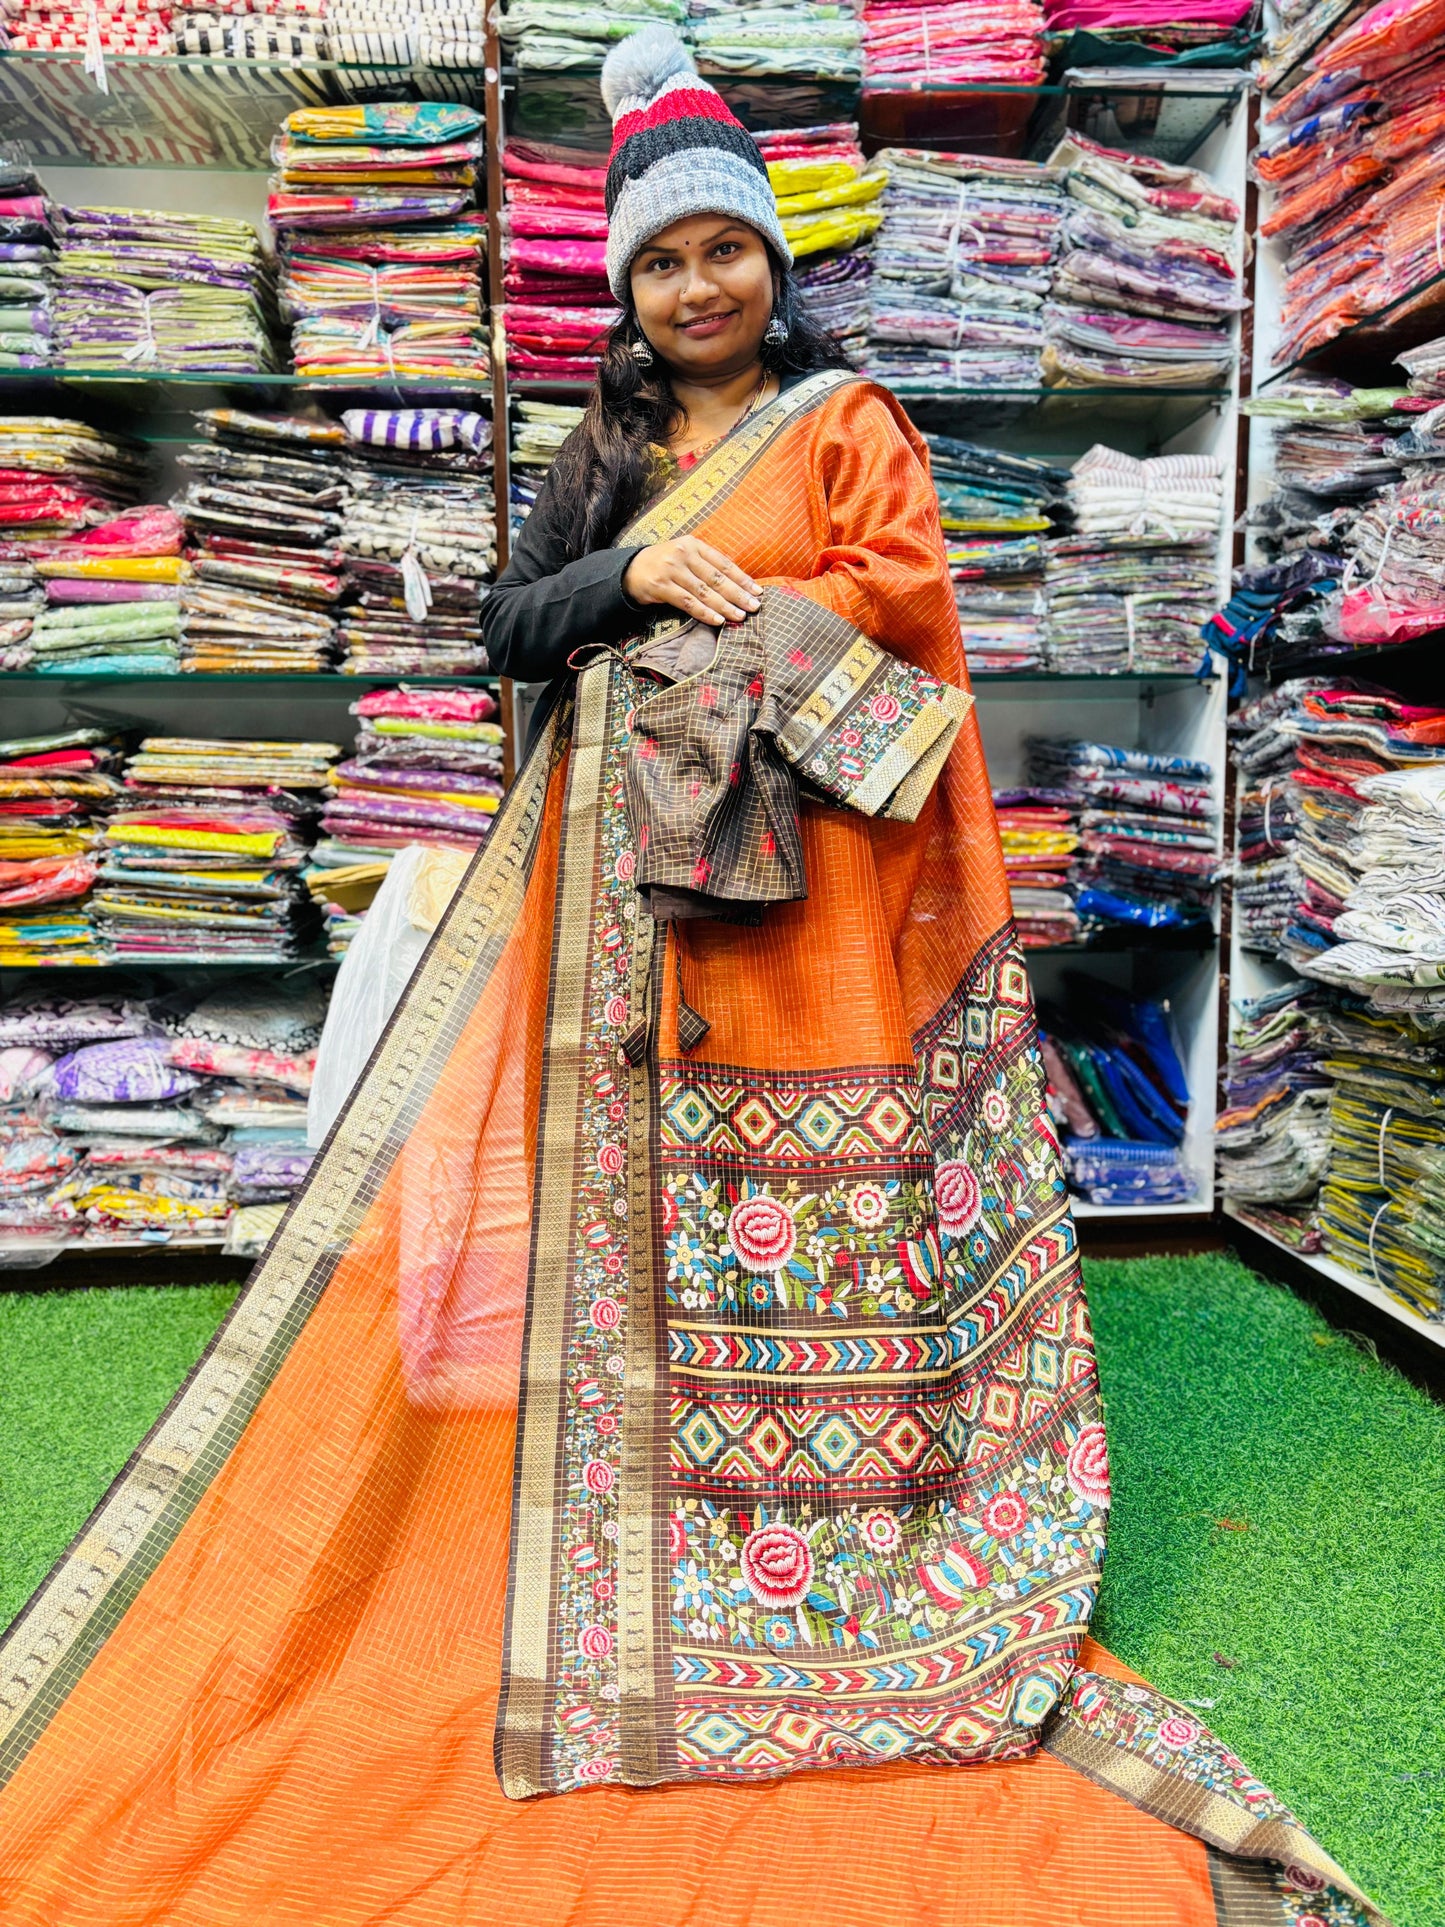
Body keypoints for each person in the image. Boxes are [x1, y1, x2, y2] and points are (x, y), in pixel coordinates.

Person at [0, 31, 1379, 1927]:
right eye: (661, 261)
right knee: (664, 1230)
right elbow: (505, 628)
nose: (698, 283)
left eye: (724, 249)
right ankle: (663, 1534)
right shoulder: (600, 452)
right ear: (630, 290)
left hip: (817, 897)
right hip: (630, 920)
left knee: (831, 1211)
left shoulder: (845, 422)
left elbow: (908, 600)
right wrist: (641, 591)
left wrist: (775, 626)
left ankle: (857, 1530)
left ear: (766, 262)